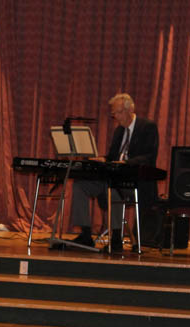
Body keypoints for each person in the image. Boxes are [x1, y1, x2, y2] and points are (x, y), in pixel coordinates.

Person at [68, 92, 159, 253]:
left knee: (113, 188)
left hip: (136, 182)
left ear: (129, 109)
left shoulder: (147, 127)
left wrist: (125, 163)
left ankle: (116, 238)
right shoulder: (119, 131)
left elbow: (149, 156)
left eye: (117, 112)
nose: (115, 116)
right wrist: (102, 159)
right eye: (114, 113)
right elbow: (111, 157)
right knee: (80, 186)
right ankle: (86, 234)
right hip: (114, 178)